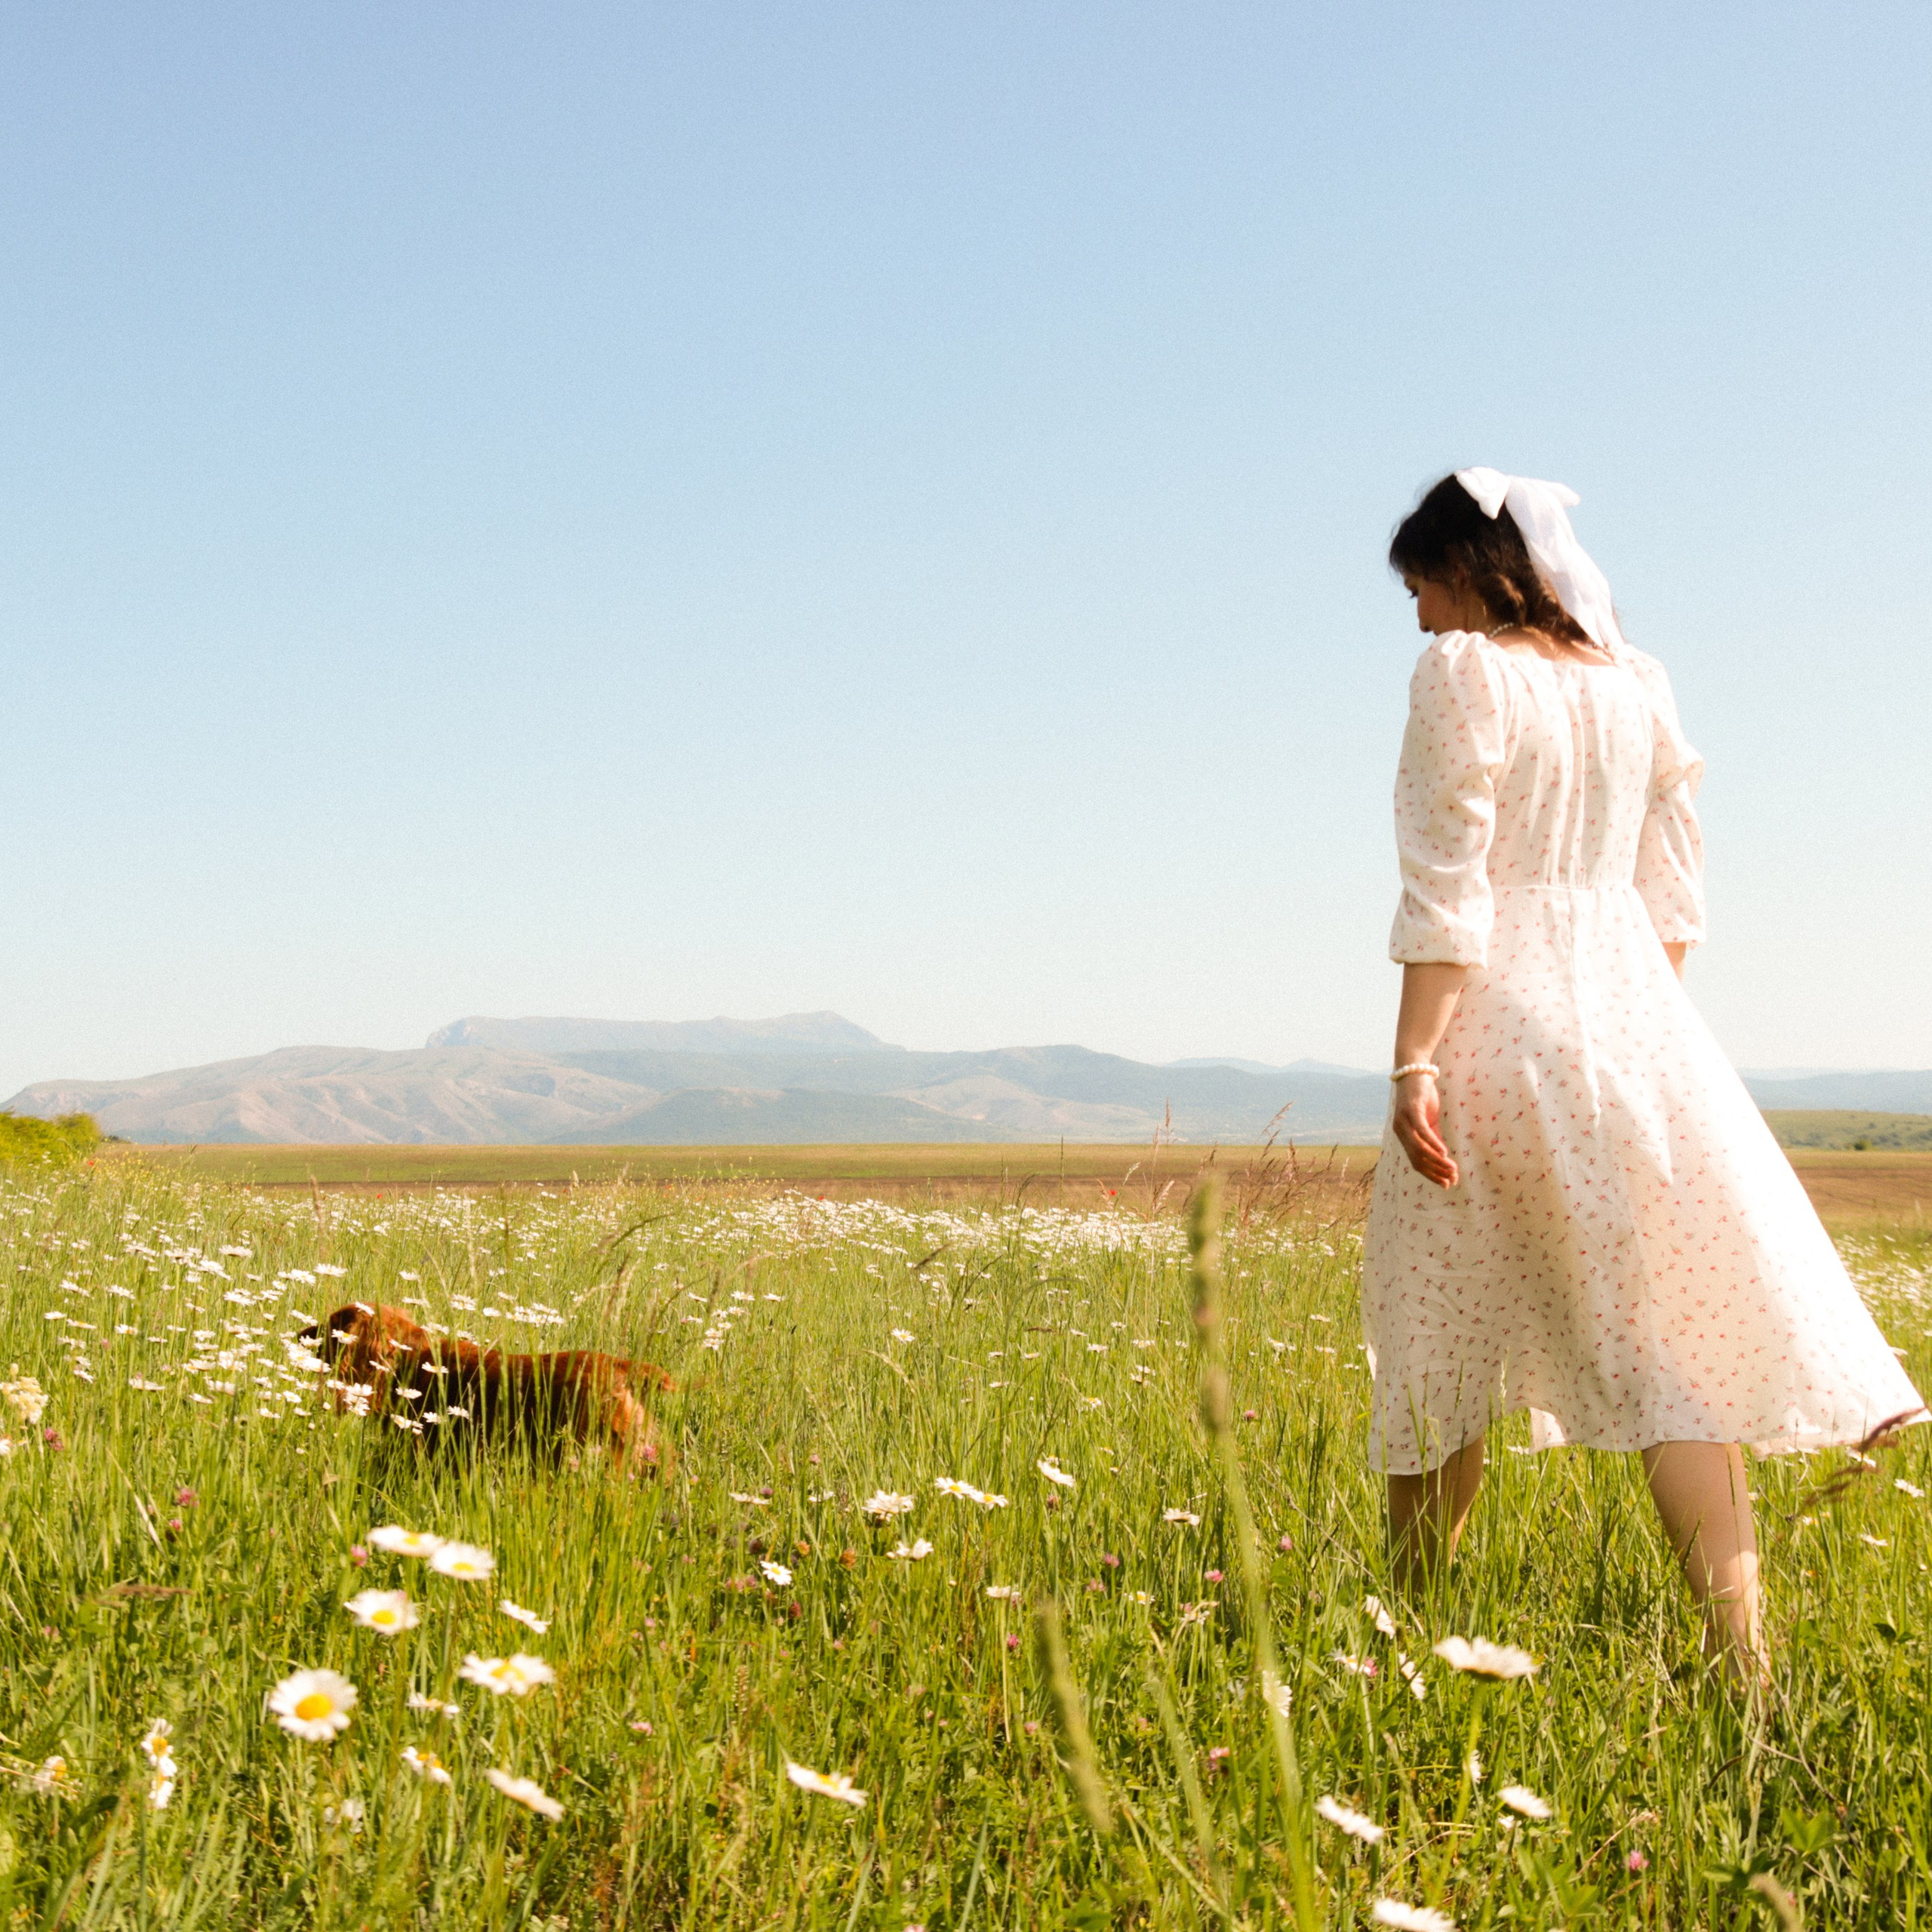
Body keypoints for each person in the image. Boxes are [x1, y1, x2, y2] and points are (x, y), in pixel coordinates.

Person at [1360, 469, 1926, 1684]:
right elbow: (1677, 894)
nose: (1418, 619)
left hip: (1498, 1022)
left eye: (1420, 588)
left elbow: (1449, 884)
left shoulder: (1466, 672)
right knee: (1675, 1349)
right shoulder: (1639, 686)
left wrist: (1415, 1057)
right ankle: (1745, 1662)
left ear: (1468, 569)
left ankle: (1407, 1631)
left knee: (1441, 1324)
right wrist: (1633, 1013)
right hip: (1641, 1025)